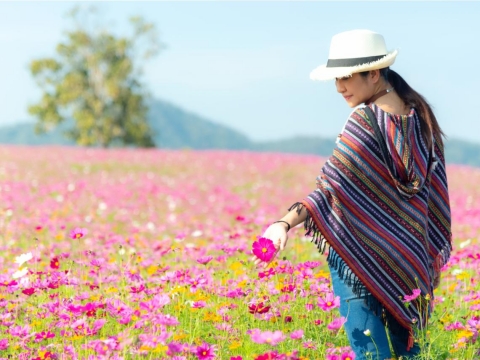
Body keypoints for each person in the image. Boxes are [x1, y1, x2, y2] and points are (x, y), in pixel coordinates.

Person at [252, 29, 452, 360]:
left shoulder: (364, 120)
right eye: (336, 78)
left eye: (345, 77)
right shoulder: (420, 119)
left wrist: (283, 223)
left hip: (357, 262)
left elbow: (329, 190)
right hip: (408, 265)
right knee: (409, 355)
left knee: (371, 355)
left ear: (373, 74)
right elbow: (431, 200)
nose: (339, 87)